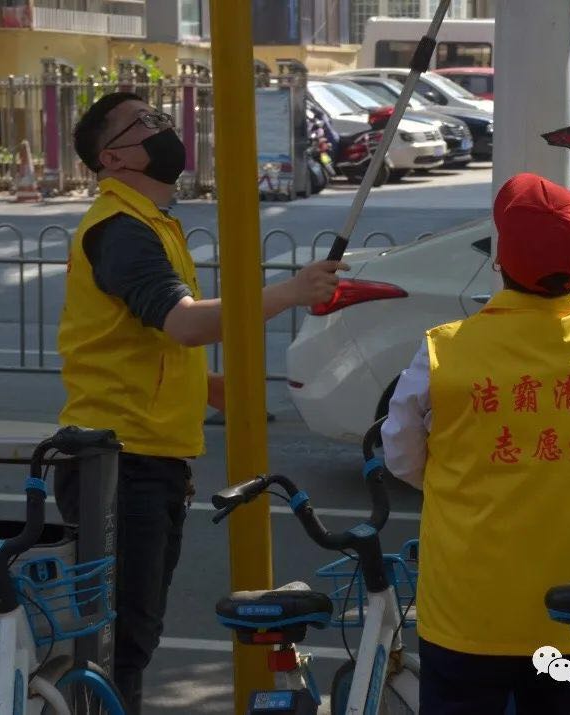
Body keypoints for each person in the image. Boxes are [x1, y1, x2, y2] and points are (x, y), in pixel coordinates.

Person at [55, 91, 347, 713]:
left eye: (160, 118)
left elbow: (147, 343)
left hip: (144, 457)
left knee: (129, 639)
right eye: (145, 123)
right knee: (119, 645)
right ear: (112, 157)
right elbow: (184, 324)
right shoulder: (121, 229)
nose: (163, 129)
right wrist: (291, 291)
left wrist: (209, 388)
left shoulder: (150, 222)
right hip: (119, 461)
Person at [380, 168, 570, 714]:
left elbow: (401, 453)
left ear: (500, 259)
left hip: (465, 609)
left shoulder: (443, 352)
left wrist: (457, 486)